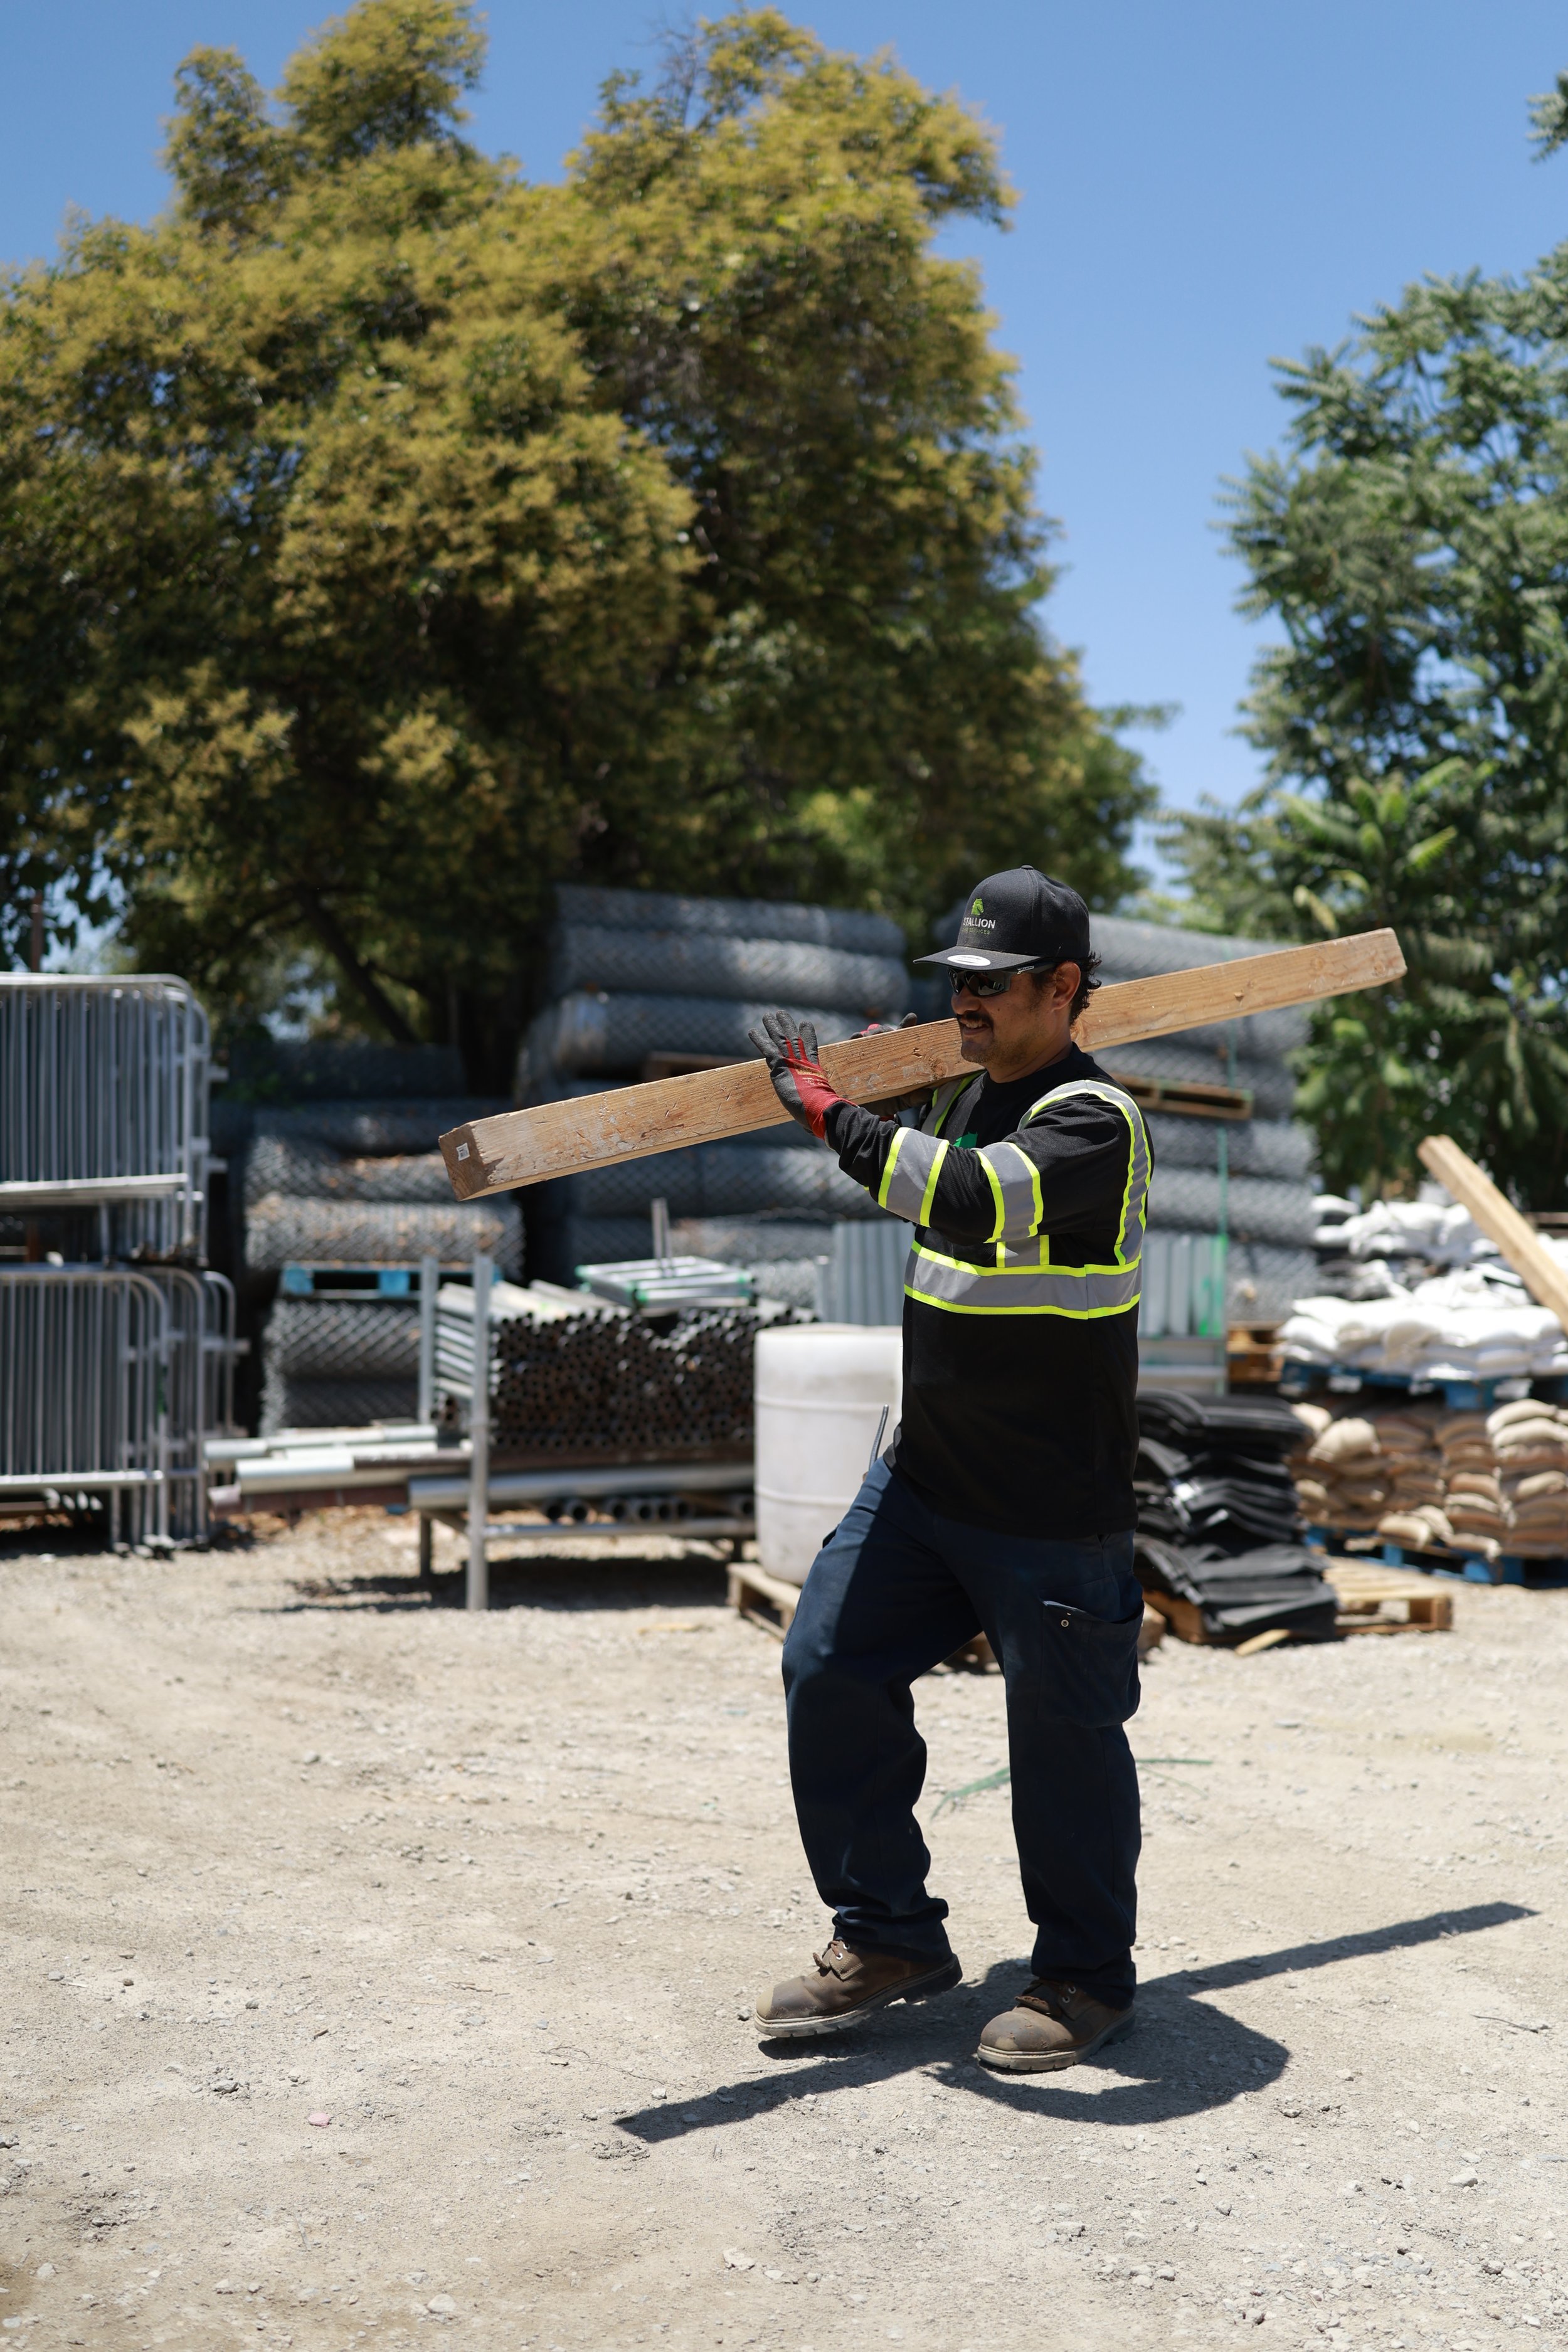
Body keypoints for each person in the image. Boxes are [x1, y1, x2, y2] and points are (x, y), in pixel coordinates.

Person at [747, 867, 1152, 2073]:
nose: (965, 1002)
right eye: (957, 985)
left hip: (1050, 1510)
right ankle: (889, 1933)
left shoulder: (1092, 1125)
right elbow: (943, 1159)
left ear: (1064, 988)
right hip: (927, 1486)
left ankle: (1083, 1976)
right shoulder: (969, 1097)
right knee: (825, 1663)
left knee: (1065, 1739)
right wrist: (903, 1089)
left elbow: (968, 1199)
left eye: (990, 984)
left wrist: (835, 1112)